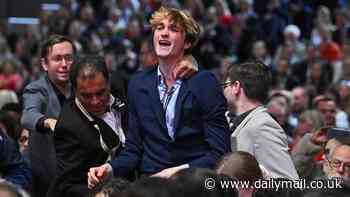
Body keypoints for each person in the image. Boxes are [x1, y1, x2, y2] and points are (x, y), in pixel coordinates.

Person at [88, 6, 229, 187]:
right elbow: (133, 151)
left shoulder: (204, 82)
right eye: (159, 28)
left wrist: (180, 171)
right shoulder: (138, 84)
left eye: (173, 29)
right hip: (151, 186)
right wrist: (109, 168)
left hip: (195, 183)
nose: (164, 33)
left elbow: (219, 151)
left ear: (187, 43)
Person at [45, 55, 128, 197]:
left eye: (101, 93)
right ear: (75, 91)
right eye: (86, 96)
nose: (95, 101)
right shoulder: (68, 127)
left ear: (108, 83)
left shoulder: (121, 86)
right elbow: (67, 185)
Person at [223, 61, 299, 179]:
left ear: (236, 87)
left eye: (225, 85)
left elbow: (287, 184)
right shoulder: (228, 119)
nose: (223, 90)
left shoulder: (263, 126)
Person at [21, 34, 75, 197]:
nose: (64, 64)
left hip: (75, 177)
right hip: (45, 180)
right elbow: (28, 115)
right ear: (45, 64)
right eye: (57, 59)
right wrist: (48, 121)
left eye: (69, 58)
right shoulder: (36, 89)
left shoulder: (82, 88)